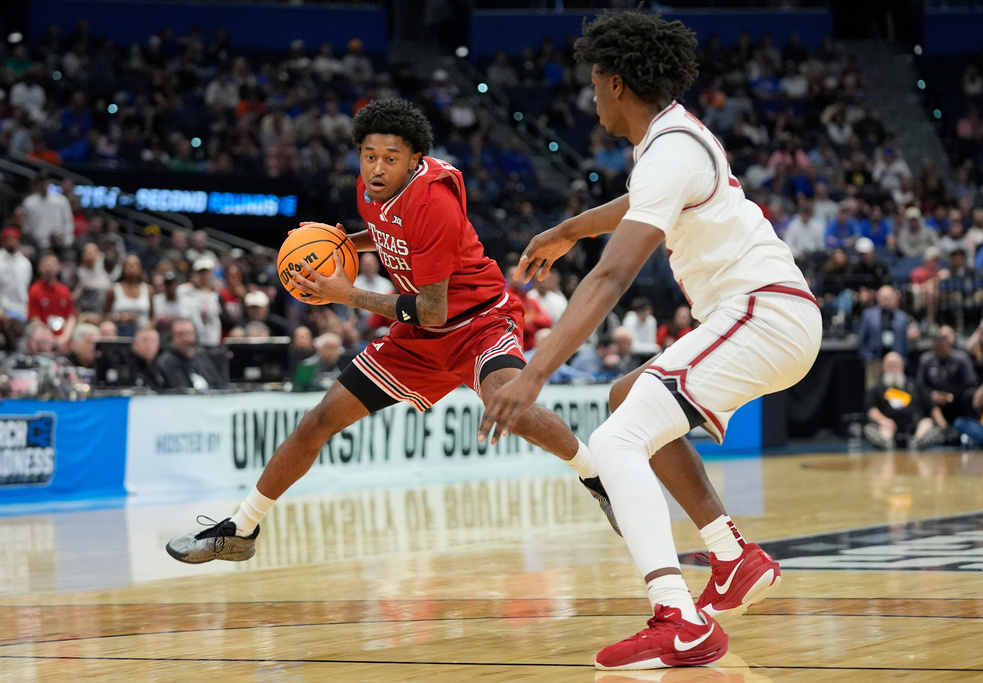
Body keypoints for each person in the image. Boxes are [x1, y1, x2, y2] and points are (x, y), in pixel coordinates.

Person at [478, 14, 821, 670]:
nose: (592, 99)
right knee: (629, 394)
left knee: (615, 440)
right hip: (762, 314)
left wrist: (534, 373)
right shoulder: (670, 142)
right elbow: (636, 204)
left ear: (614, 83)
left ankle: (678, 614)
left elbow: (611, 277)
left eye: (594, 86)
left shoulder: (670, 151)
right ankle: (731, 555)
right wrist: (569, 229)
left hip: (763, 313)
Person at [166, 99, 614, 582]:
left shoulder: (434, 203)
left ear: (414, 159)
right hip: (419, 336)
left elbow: (432, 309)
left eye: (390, 158)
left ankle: (596, 474)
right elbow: (387, 234)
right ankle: (242, 528)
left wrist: (347, 294)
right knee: (317, 421)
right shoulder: (368, 190)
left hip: (477, 320)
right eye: (368, 155)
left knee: (510, 406)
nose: (377, 168)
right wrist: (341, 245)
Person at [863, 352, 944, 450]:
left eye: (896, 364)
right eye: (890, 365)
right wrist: (883, 421)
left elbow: (932, 406)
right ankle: (887, 444)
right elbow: (871, 409)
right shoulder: (877, 388)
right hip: (887, 428)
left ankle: (917, 443)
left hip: (916, 428)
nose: (893, 368)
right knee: (870, 429)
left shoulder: (914, 385)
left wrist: (942, 424)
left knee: (929, 424)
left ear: (902, 366)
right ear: (883, 368)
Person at [916, 326, 977, 432]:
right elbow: (920, 385)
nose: (941, 350)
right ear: (934, 347)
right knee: (921, 397)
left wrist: (949, 396)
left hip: (956, 398)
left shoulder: (961, 359)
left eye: (943, 347)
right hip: (933, 399)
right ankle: (943, 428)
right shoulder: (926, 360)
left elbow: (970, 383)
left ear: (949, 346)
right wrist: (932, 394)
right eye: (937, 348)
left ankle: (969, 428)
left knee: (970, 394)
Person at [858, 285, 913, 389]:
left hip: (896, 360)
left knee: (897, 389)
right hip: (874, 359)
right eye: (883, 298)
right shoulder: (868, 315)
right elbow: (862, 338)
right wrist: (866, 356)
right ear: (878, 298)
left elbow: (905, 341)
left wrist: (903, 359)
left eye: (888, 298)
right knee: (873, 388)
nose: (886, 301)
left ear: (895, 298)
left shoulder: (903, 317)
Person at [154, 317, 226, 391]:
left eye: (188, 333)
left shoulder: (202, 357)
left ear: (195, 335)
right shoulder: (165, 362)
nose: (185, 338)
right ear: (172, 337)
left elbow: (218, 385)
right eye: (180, 334)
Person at [27, 252, 76, 349]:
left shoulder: (65, 291)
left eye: (52, 263)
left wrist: (64, 337)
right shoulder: (34, 290)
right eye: (45, 264)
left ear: (59, 267)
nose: (49, 266)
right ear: (39, 268)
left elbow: (71, 317)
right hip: (44, 339)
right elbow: (34, 319)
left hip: (63, 338)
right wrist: (50, 338)